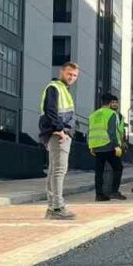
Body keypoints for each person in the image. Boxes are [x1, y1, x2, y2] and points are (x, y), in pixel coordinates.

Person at [38, 62, 79, 220]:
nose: (71, 77)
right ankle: (57, 208)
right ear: (62, 72)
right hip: (58, 134)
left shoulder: (63, 89)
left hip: (58, 133)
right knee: (59, 171)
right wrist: (60, 130)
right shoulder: (54, 87)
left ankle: (53, 207)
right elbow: (50, 110)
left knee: (54, 171)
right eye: (69, 74)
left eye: (74, 75)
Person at [87, 92, 127, 202]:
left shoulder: (93, 115)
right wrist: (117, 146)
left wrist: (91, 146)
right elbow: (112, 132)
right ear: (110, 103)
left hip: (96, 146)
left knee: (99, 172)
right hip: (108, 146)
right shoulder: (111, 114)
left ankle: (99, 195)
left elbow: (90, 131)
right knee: (118, 168)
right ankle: (114, 192)